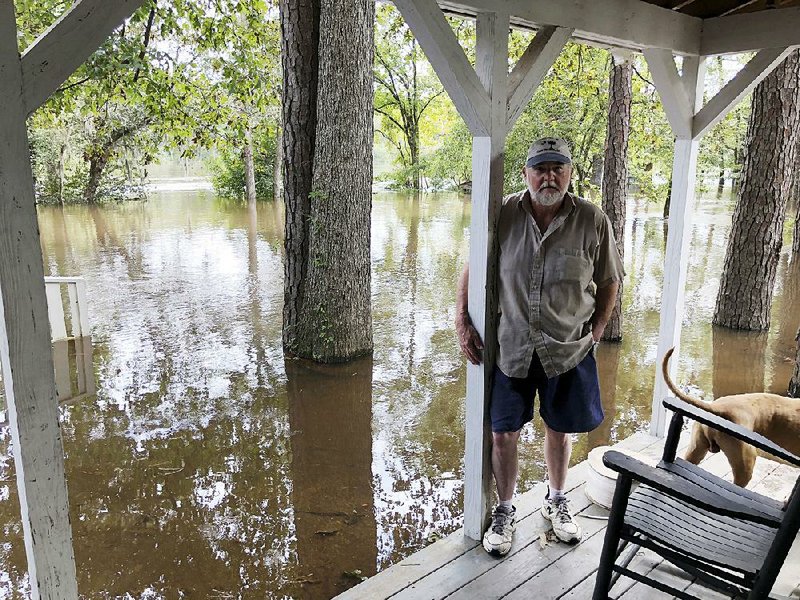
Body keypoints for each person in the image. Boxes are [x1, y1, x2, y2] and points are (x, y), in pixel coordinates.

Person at [455, 137, 623, 557]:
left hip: (566, 348)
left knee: (559, 429)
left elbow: (610, 280)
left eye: (558, 168)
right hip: (510, 345)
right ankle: (505, 510)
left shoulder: (593, 219)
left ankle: (557, 499)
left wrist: (597, 331)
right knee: (503, 433)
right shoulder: (503, 215)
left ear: (569, 172)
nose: (549, 177)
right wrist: (461, 318)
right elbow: (474, 266)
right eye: (540, 168)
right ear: (526, 173)